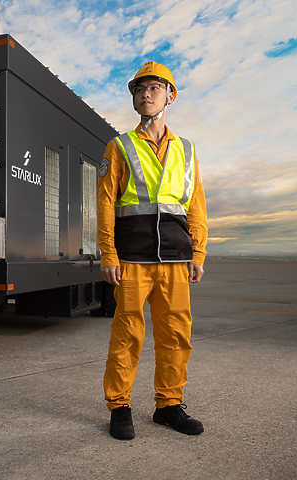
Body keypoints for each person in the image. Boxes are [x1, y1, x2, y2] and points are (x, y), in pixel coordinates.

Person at [97, 61, 208, 440]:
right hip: (132, 259)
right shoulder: (120, 146)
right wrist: (108, 254)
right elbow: (106, 204)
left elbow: (195, 207)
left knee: (176, 335)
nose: (145, 94)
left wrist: (199, 254)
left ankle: (169, 406)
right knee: (127, 336)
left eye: (154, 88)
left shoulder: (188, 151)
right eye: (138, 89)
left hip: (177, 259)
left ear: (170, 96)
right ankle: (120, 407)